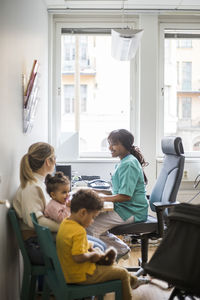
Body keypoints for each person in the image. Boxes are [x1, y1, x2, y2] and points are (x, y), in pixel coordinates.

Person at [13, 142, 106, 265]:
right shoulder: (31, 188)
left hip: (44, 240)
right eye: (54, 158)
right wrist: (68, 228)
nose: (55, 162)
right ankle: (82, 281)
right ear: (48, 162)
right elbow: (35, 221)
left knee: (100, 245)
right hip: (37, 246)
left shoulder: (39, 184)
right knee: (98, 247)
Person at [56, 189, 150, 300]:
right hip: (81, 275)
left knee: (109, 263)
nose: (92, 221)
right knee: (122, 273)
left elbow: (73, 248)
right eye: (93, 217)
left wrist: (91, 248)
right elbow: (78, 256)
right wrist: (92, 255)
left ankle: (134, 280)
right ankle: (130, 287)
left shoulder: (65, 223)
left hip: (69, 272)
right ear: (83, 213)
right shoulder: (79, 231)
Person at [87, 129, 149, 260]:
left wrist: (100, 198)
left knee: (91, 227)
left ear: (125, 144)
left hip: (132, 211)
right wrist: (95, 192)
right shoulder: (124, 162)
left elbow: (125, 196)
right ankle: (121, 249)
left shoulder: (129, 164)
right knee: (90, 223)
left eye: (113, 144)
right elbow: (118, 191)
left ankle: (98, 263)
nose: (109, 147)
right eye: (109, 143)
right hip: (125, 208)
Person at [44, 171, 106, 252]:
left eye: (68, 191)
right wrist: (68, 207)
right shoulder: (52, 206)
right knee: (98, 247)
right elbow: (63, 219)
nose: (67, 195)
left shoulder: (61, 202)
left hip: (68, 232)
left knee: (101, 244)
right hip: (59, 236)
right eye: (64, 192)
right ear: (53, 195)